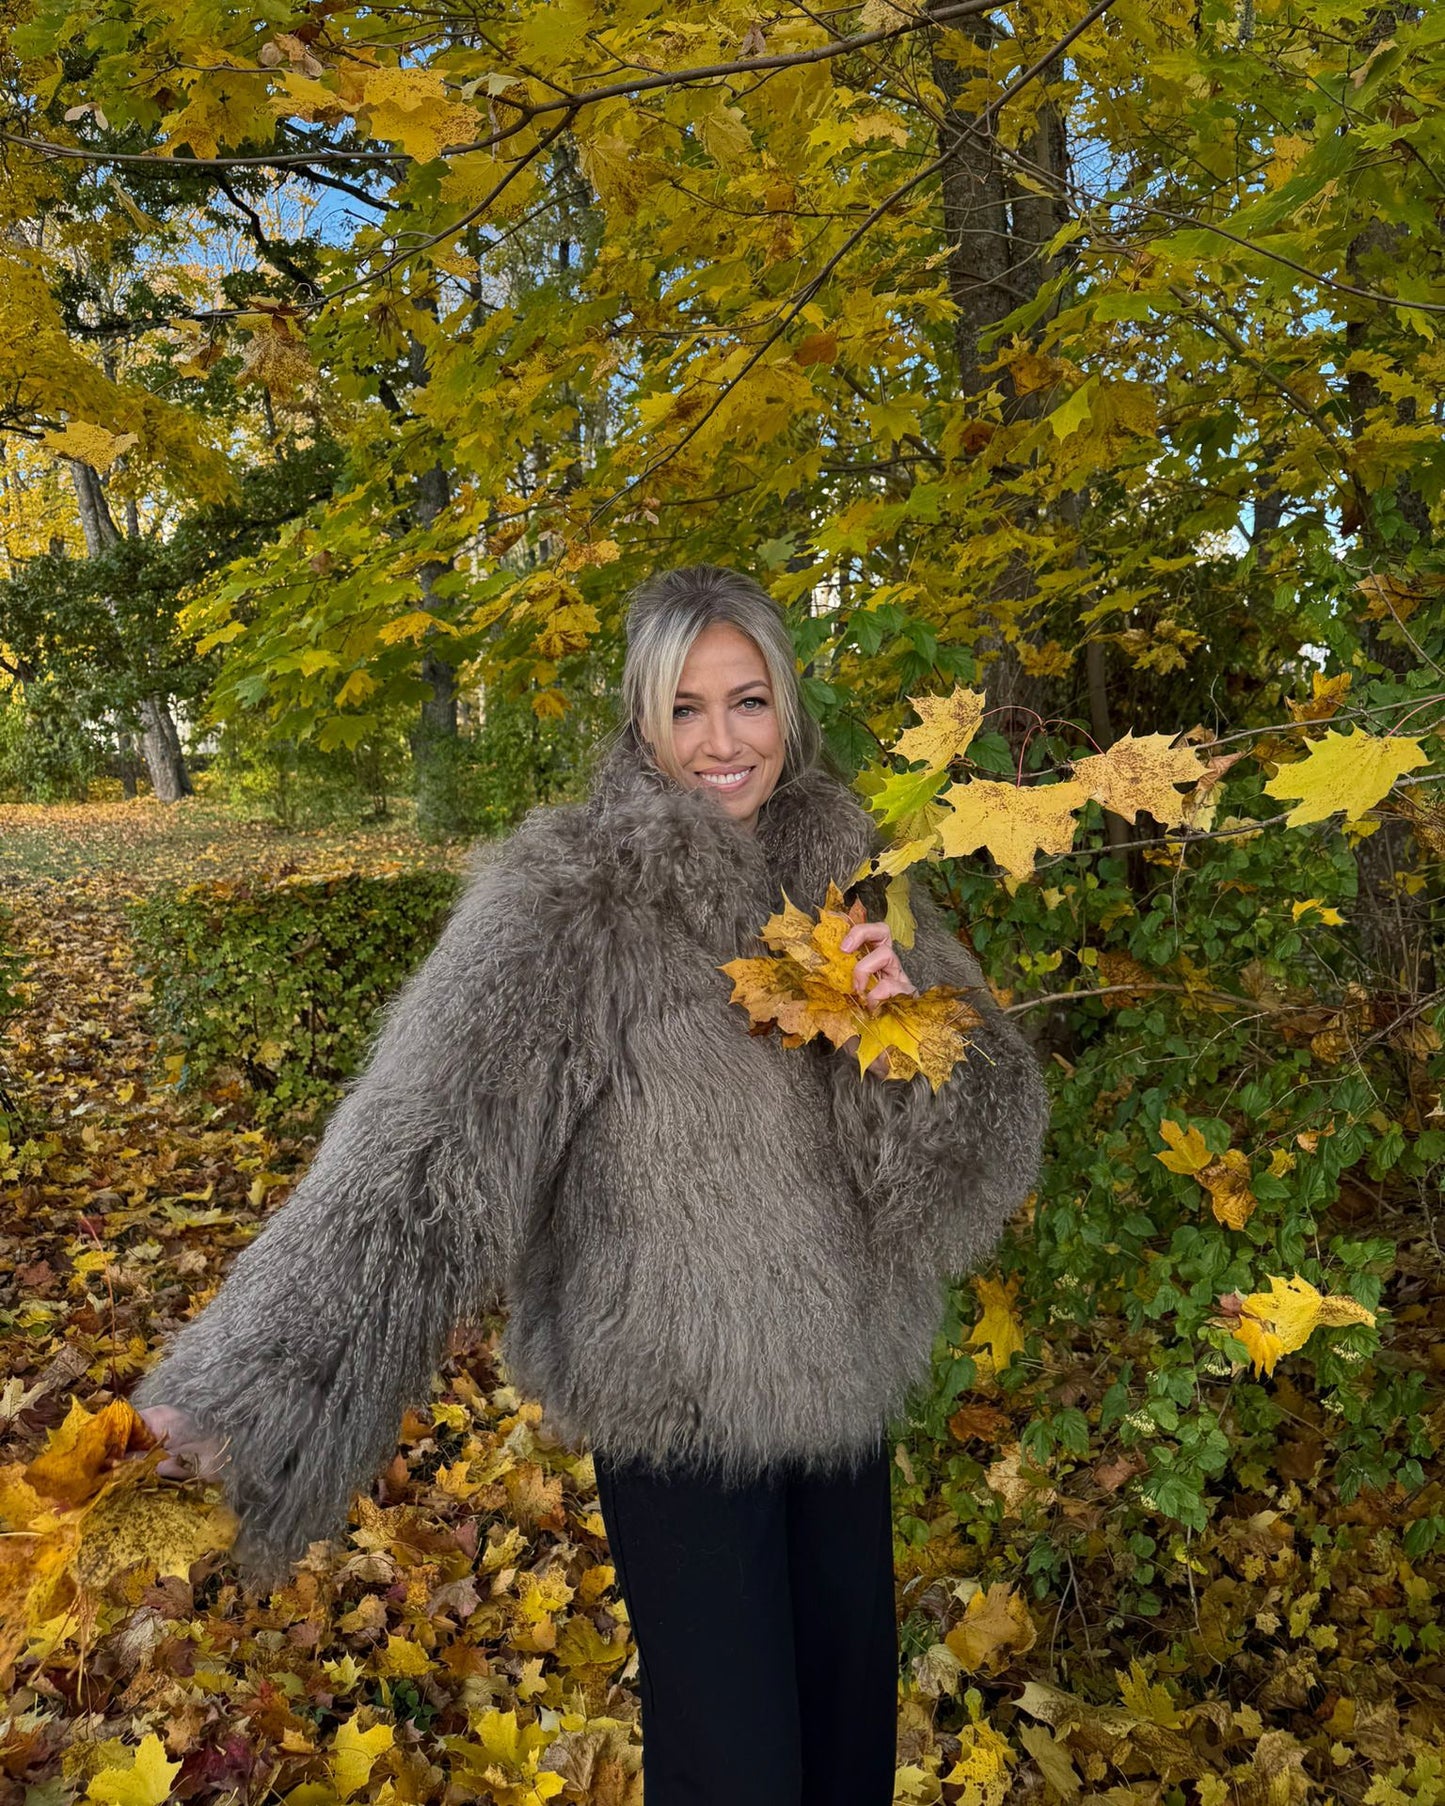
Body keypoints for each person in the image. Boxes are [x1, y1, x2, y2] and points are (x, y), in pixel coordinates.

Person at [135, 564, 1051, 1806]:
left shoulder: (856, 878)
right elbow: (418, 1160)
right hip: (674, 1416)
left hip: (840, 1404)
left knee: (844, 1762)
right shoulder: (570, 899)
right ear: (638, 719)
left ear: (788, 706)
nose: (722, 743)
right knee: (736, 1775)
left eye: (747, 701)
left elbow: (981, 1164)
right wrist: (248, 1386)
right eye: (684, 708)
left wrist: (906, 1036)